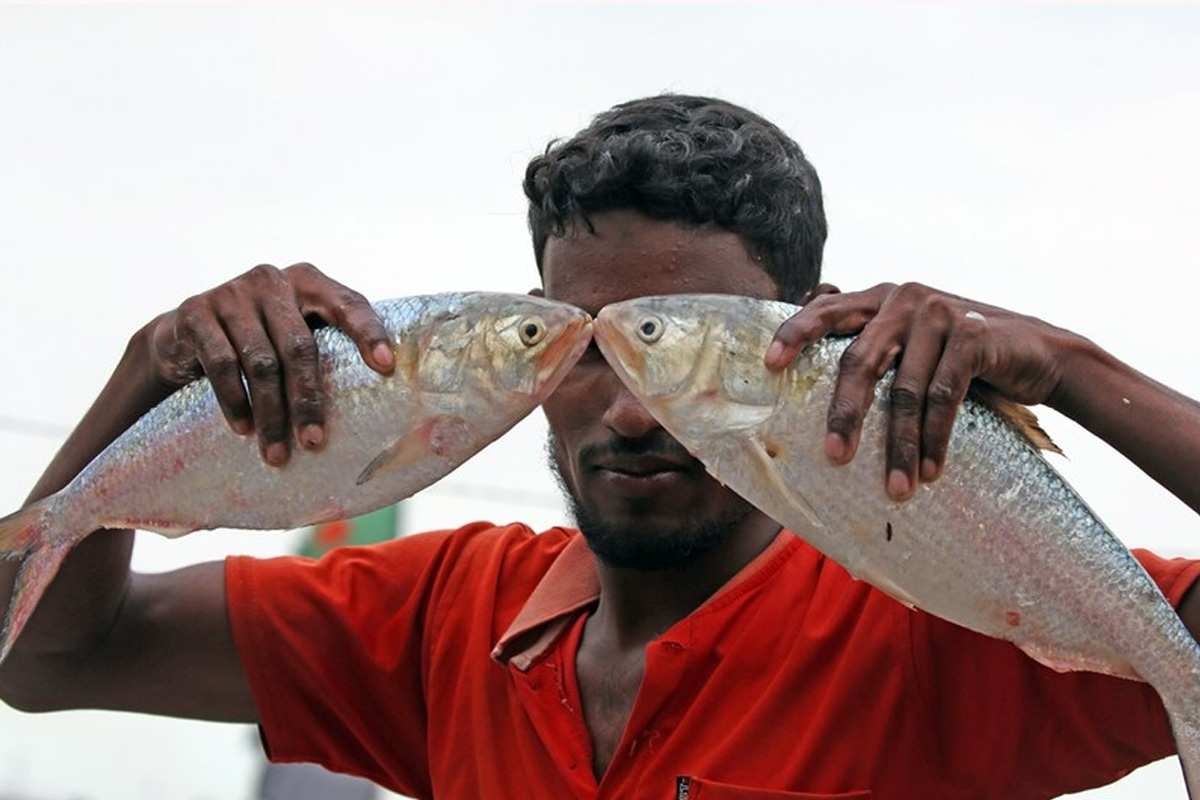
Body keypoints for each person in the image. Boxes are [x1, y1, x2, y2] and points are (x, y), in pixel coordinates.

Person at [2, 94, 1199, 800]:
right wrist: (147, 374)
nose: (630, 409)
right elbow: (47, 654)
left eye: (677, 347)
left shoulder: (944, 610)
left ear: (815, 333)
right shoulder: (445, 613)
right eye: (583, 347)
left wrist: (1081, 371)